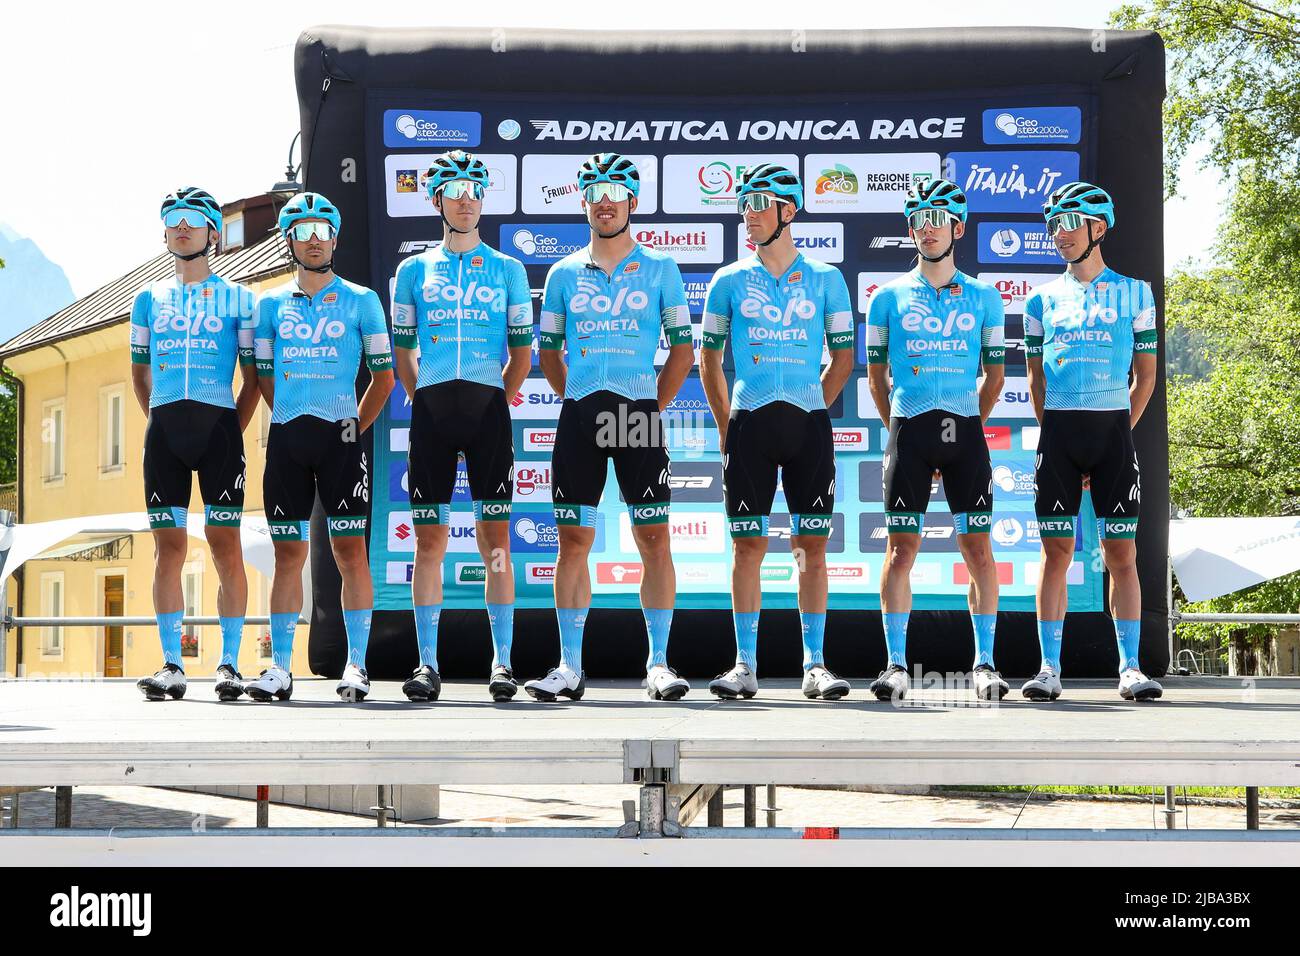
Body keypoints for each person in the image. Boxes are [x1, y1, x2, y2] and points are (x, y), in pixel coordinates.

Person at [526, 152, 695, 702]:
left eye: (615, 190)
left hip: (637, 411)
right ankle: (570, 666)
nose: (605, 200)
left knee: (653, 538)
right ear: (583, 201)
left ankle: (660, 664)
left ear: (632, 202)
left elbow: (683, 351)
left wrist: (650, 406)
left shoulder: (661, 269)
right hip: (580, 413)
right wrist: (574, 398)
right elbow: (549, 351)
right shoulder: (561, 273)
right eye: (595, 190)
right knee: (573, 541)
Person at [700, 163, 855, 701]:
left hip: (806, 423)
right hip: (749, 422)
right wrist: (728, 423)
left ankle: (815, 664)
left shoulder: (827, 277)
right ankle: (744, 665)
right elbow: (710, 361)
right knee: (748, 547)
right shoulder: (727, 279)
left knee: (812, 547)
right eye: (743, 202)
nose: (748, 212)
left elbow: (843, 358)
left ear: (789, 212)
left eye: (759, 202)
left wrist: (814, 408)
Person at [391, 151, 533, 703]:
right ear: (438, 201)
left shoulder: (509, 269)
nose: (467, 199)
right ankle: (428, 663)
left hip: (487, 411)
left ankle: (503, 662)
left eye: (475, 190)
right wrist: (419, 396)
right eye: (456, 190)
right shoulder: (412, 270)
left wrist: (497, 399)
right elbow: (402, 351)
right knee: (430, 543)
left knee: (495, 540)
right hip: (430, 410)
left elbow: (521, 353)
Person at [863, 178, 1008, 702]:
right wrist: (897, 425)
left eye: (937, 218)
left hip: (964, 430)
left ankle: (985, 663)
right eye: (919, 219)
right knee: (901, 550)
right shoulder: (886, 298)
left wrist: (969, 419)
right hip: (910, 429)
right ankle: (896, 663)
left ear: (957, 227)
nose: (927, 228)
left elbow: (995, 377)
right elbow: (875, 376)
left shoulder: (986, 297)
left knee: (979, 552)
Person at [247, 192, 395, 702]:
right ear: (289, 239)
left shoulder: (363, 299)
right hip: (288, 437)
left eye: (322, 229)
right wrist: (285, 414)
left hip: (341, 439)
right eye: (303, 230)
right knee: (288, 553)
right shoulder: (269, 305)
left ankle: (356, 666)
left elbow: (384, 376)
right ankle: (280, 668)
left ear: (334, 237)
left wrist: (356, 425)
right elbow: (262, 374)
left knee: (350, 553)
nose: (313, 238)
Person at [1020, 181, 1161, 702]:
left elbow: (1144, 380)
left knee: (1120, 553)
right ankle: (1048, 668)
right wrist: (1052, 431)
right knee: (1055, 552)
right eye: (1052, 225)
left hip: (1112, 436)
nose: (1058, 235)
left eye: (1067, 224)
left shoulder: (1136, 292)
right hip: (1058, 432)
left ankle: (1130, 668)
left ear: (1097, 229)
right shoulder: (1039, 299)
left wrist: (1118, 433)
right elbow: (1035, 381)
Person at [133, 187, 259, 702]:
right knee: (169, 549)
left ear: (213, 232)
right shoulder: (148, 299)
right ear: (164, 232)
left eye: (194, 219)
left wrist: (230, 427)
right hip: (164, 430)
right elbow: (139, 375)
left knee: (225, 545)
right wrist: (159, 420)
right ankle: (171, 664)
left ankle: (229, 664)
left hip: (220, 432)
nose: (182, 227)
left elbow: (252, 379)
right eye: (173, 220)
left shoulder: (240, 298)